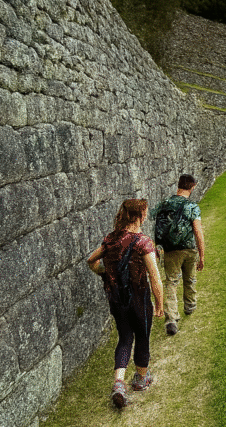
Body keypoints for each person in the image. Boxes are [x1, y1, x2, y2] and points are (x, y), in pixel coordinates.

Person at [88, 198, 164, 408]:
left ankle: (119, 383)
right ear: (139, 216)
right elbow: (155, 277)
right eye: (145, 212)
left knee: (124, 338)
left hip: (116, 298)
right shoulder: (143, 242)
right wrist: (159, 303)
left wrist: (105, 273)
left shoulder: (111, 239)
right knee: (142, 336)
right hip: (139, 298)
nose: (147, 215)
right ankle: (141, 380)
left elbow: (91, 261)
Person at [151, 174, 205, 336]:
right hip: (188, 248)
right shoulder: (192, 206)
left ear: (179, 186)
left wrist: (158, 248)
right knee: (190, 278)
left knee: (171, 282)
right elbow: (198, 231)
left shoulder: (164, 203)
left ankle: (171, 319)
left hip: (170, 249)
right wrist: (202, 255)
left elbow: (155, 218)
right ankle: (190, 306)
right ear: (192, 187)